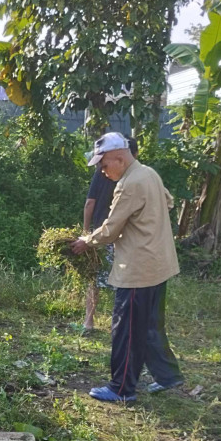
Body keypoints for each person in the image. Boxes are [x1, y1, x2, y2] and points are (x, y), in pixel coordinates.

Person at [71, 132, 182, 402]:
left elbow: (110, 230)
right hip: (158, 263)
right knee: (149, 325)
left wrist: (86, 241)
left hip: (137, 269)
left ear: (119, 158)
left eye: (104, 165)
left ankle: (121, 388)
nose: (102, 171)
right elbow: (168, 202)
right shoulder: (149, 173)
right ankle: (168, 375)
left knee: (127, 330)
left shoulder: (129, 183)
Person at [81, 141, 125, 330]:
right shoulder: (130, 175)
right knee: (121, 279)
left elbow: (90, 203)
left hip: (101, 233)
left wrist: (86, 232)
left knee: (94, 278)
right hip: (122, 235)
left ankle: (88, 321)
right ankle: (119, 323)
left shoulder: (101, 174)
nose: (103, 169)